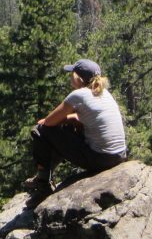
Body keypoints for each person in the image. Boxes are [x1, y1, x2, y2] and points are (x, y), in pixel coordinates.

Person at [23, 58, 127, 196]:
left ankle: (42, 184)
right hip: (119, 155)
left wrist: (59, 120)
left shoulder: (79, 95)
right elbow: (86, 118)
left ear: (78, 78)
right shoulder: (105, 93)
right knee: (68, 128)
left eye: (72, 73)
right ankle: (43, 178)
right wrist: (70, 119)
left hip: (101, 159)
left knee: (40, 131)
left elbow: (48, 123)